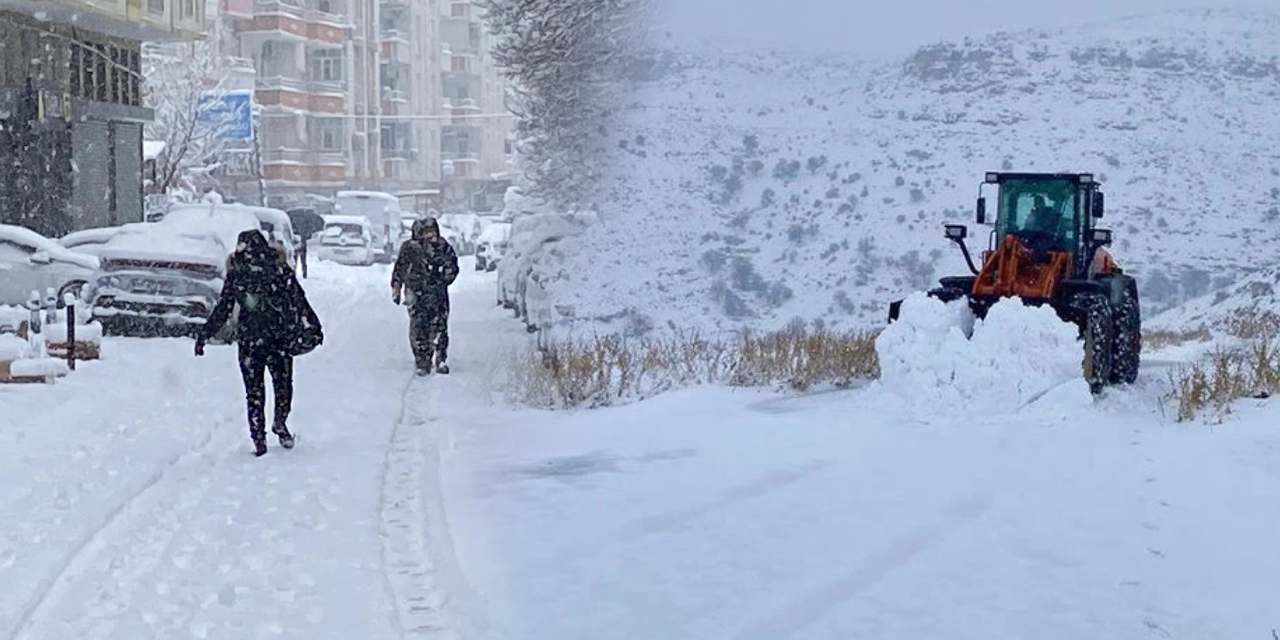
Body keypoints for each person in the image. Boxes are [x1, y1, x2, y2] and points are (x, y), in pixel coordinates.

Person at [196, 230, 322, 457]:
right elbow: (299, 299)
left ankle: (259, 438)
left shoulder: (238, 273)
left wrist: (205, 334)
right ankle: (280, 423)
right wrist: (313, 325)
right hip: (279, 339)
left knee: (254, 392)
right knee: (283, 386)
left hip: (250, 341)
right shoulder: (279, 269)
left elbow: (224, 307)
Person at [391, 217, 459, 376]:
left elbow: (453, 266)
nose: (429, 235)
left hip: (438, 294)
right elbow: (399, 269)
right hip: (416, 293)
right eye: (425, 232)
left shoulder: (443, 247)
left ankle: (440, 358)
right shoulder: (409, 248)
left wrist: (445, 277)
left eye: (432, 231)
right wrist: (396, 288)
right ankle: (422, 360)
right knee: (419, 327)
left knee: (440, 326)